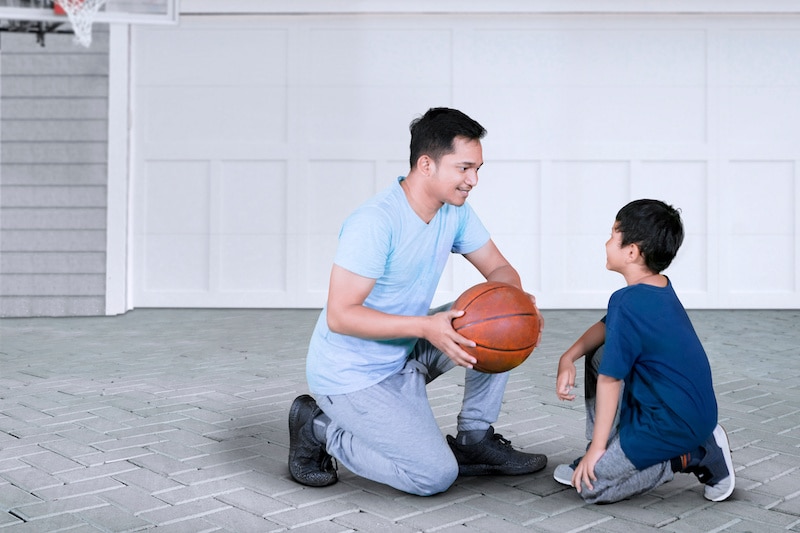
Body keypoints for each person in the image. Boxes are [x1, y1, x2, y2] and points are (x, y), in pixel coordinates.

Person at [287, 107, 547, 496]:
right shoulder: (375, 222)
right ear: (426, 164)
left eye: (477, 169)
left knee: (502, 324)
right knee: (433, 476)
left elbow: (500, 270)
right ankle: (319, 428)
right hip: (352, 377)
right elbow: (341, 316)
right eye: (464, 168)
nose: (473, 180)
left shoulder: (454, 212)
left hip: (404, 350)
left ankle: (474, 441)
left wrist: (518, 307)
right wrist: (425, 327)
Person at [553, 199, 735, 504]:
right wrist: (567, 357)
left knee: (588, 487)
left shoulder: (627, 301)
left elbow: (610, 381)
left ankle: (695, 454)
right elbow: (607, 327)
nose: (606, 241)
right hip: (685, 410)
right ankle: (604, 449)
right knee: (599, 352)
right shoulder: (657, 286)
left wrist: (598, 451)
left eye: (613, 234)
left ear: (632, 251)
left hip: (670, 424)